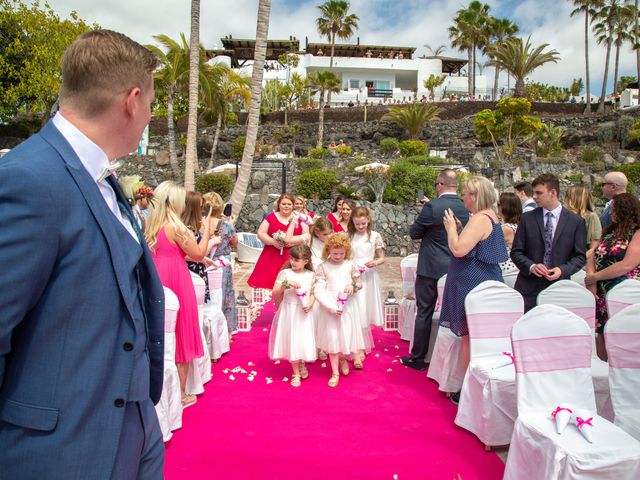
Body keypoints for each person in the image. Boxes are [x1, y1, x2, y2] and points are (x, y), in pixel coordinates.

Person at [0, 30, 165, 478]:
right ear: (132, 101)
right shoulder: (29, 180)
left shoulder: (104, 180)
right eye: (152, 103)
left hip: (130, 427)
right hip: (62, 450)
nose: (150, 115)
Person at [146, 181, 210, 408]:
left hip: (154, 277)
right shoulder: (177, 228)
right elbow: (199, 254)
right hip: (176, 279)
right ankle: (180, 396)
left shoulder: (150, 225)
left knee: (156, 331)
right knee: (181, 333)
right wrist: (209, 230)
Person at [401, 169, 470, 371]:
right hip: (455, 267)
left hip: (430, 267)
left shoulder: (432, 206)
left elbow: (415, 233)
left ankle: (418, 359)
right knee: (456, 314)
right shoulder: (465, 206)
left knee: (424, 312)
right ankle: (452, 363)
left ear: (439, 185)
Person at [441, 176, 509, 336]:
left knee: (468, 337)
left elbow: (458, 249)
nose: (462, 197)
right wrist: (459, 230)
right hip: (479, 280)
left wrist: (450, 228)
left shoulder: (480, 218)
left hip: (471, 284)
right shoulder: (490, 215)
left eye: (465, 194)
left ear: (475, 195)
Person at [510, 173, 587, 311]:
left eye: (539, 193)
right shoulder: (527, 218)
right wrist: (532, 266)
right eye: (534, 193)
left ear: (553, 192)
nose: (534, 197)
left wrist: (562, 270)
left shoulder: (575, 222)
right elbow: (516, 252)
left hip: (559, 289)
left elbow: (580, 257)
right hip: (528, 288)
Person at [585, 193, 640, 351]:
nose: (611, 213)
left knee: (624, 342)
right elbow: (591, 255)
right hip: (602, 292)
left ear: (626, 211)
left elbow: (627, 264)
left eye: (615, 210)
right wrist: (591, 279)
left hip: (625, 293)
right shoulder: (610, 232)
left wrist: (595, 277)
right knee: (602, 339)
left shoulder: (637, 233)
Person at [314, 233, 365, 387]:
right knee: (333, 338)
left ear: (346, 251)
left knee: (345, 335)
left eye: (341, 253)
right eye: (334, 253)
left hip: (347, 307)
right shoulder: (322, 267)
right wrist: (328, 306)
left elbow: (359, 283)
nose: (338, 256)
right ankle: (335, 372)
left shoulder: (350, 265)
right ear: (328, 250)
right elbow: (318, 289)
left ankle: (343, 357)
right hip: (330, 306)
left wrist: (353, 286)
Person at [268, 245, 317, 387]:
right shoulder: (286, 273)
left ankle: (301, 362)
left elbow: (314, 292)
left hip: (304, 311)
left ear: (306, 261)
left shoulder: (311, 275)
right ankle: (295, 372)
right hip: (289, 310)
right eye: (291, 258)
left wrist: (310, 303)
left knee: (302, 338)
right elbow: (275, 291)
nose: (293, 262)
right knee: (292, 338)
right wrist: (286, 284)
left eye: (297, 260)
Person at [248, 194, 306, 290]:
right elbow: (261, 233)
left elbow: (306, 235)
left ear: (293, 206)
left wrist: (293, 241)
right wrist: (272, 241)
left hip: (292, 256)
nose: (286, 206)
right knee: (267, 285)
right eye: (284, 204)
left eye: (289, 204)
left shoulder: (299, 218)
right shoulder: (271, 217)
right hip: (271, 255)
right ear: (279, 205)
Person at [349, 207, 385, 359]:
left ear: (368, 220)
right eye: (357, 224)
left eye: (363, 223)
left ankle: (362, 345)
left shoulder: (375, 236)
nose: (360, 227)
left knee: (364, 309)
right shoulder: (349, 236)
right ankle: (354, 343)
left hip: (368, 276)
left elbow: (382, 257)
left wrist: (375, 262)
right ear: (353, 223)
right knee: (355, 309)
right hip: (353, 275)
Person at [203, 192, 239, 333]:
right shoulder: (225, 224)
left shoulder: (199, 223)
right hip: (220, 263)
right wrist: (232, 224)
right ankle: (223, 332)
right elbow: (235, 242)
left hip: (203, 262)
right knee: (224, 296)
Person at [183, 191, 218, 303]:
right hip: (191, 271)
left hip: (198, 267)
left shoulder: (192, 226)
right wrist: (211, 240)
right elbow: (194, 252)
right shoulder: (185, 228)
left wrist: (202, 259)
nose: (202, 210)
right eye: (200, 207)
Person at [564, 184, 602, 251]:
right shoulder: (565, 216)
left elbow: (594, 244)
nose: (565, 199)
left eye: (568, 196)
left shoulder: (591, 217)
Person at [497, 191, 521, 273]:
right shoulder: (518, 225)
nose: (497, 207)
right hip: (514, 268)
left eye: (499, 205)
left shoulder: (506, 229)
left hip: (507, 269)